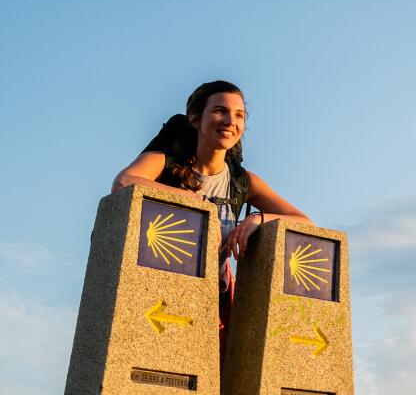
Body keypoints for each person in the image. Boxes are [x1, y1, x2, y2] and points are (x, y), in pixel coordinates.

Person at [113, 80, 310, 349]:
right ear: (195, 119)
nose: (231, 121)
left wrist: (257, 218)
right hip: (157, 290)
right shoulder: (166, 161)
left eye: (239, 115)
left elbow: (304, 222)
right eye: (220, 111)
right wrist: (196, 203)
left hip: (212, 297)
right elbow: (124, 182)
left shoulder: (243, 182)